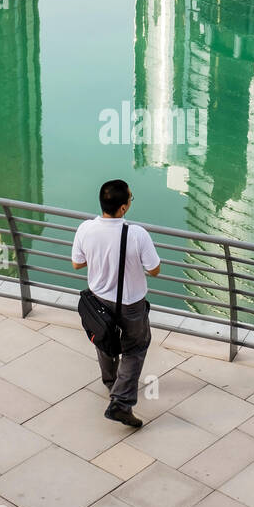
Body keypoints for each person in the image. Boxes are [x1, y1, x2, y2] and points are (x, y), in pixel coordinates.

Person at [71, 179, 161, 427]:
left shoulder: (85, 229)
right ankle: (120, 403)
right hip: (131, 304)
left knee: (104, 338)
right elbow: (154, 270)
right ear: (122, 208)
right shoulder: (137, 234)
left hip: (98, 299)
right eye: (130, 199)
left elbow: (77, 263)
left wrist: (103, 257)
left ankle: (111, 382)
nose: (131, 202)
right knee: (136, 348)